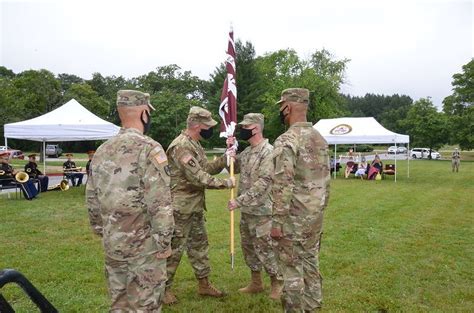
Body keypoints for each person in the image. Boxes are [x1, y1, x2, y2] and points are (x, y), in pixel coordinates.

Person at [86, 90, 174, 312]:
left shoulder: (102, 150)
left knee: (119, 304)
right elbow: (160, 203)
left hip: (113, 242)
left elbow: (92, 197)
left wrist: (102, 229)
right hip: (144, 247)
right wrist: (164, 243)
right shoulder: (149, 148)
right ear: (145, 113)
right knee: (146, 304)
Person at [163, 106, 235, 304]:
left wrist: (225, 159)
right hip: (180, 208)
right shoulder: (181, 146)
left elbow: (206, 169)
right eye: (208, 126)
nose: (210, 129)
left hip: (194, 207)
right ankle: (164, 289)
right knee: (174, 249)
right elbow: (198, 178)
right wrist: (225, 183)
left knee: (199, 247)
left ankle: (203, 284)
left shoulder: (195, 144)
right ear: (197, 126)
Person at [271, 88, 330, 312]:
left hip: (293, 220)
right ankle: (313, 308)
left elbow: (282, 185)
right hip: (315, 216)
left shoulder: (287, 140)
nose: (281, 111)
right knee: (311, 265)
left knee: (292, 270)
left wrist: (277, 222)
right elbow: (326, 181)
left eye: (281, 107)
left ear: (288, 107)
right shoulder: (320, 139)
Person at [226, 113, 282, 300]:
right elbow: (233, 168)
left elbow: (265, 182)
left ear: (256, 128)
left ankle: (276, 282)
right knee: (249, 248)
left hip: (263, 212)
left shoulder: (268, 151)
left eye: (245, 127)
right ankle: (256, 282)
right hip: (248, 211)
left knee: (266, 249)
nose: (242, 130)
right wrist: (231, 154)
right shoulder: (248, 152)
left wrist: (239, 201)